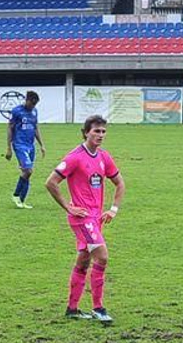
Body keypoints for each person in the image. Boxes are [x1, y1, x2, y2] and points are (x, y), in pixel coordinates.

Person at [46, 114, 125, 325]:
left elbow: (120, 183)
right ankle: (98, 308)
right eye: (96, 131)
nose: (101, 135)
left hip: (96, 219)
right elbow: (51, 182)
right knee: (102, 257)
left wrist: (113, 209)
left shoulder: (104, 157)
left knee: (83, 261)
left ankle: (72, 309)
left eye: (103, 131)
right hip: (82, 219)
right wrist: (68, 206)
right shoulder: (75, 157)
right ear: (86, 133)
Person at [5, 90, 45, 208]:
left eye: (35, 104)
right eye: (32, 103)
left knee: (27, 173)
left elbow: (35, 128)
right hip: (19, 144)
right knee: (28, 171)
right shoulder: (16, 111)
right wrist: (9, 148)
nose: (33, 106)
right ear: (26, 100)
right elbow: (10, 128)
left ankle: (21, 201)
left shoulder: (34, 111)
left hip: (30, 145)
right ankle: (16, 195)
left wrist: (42, 145)